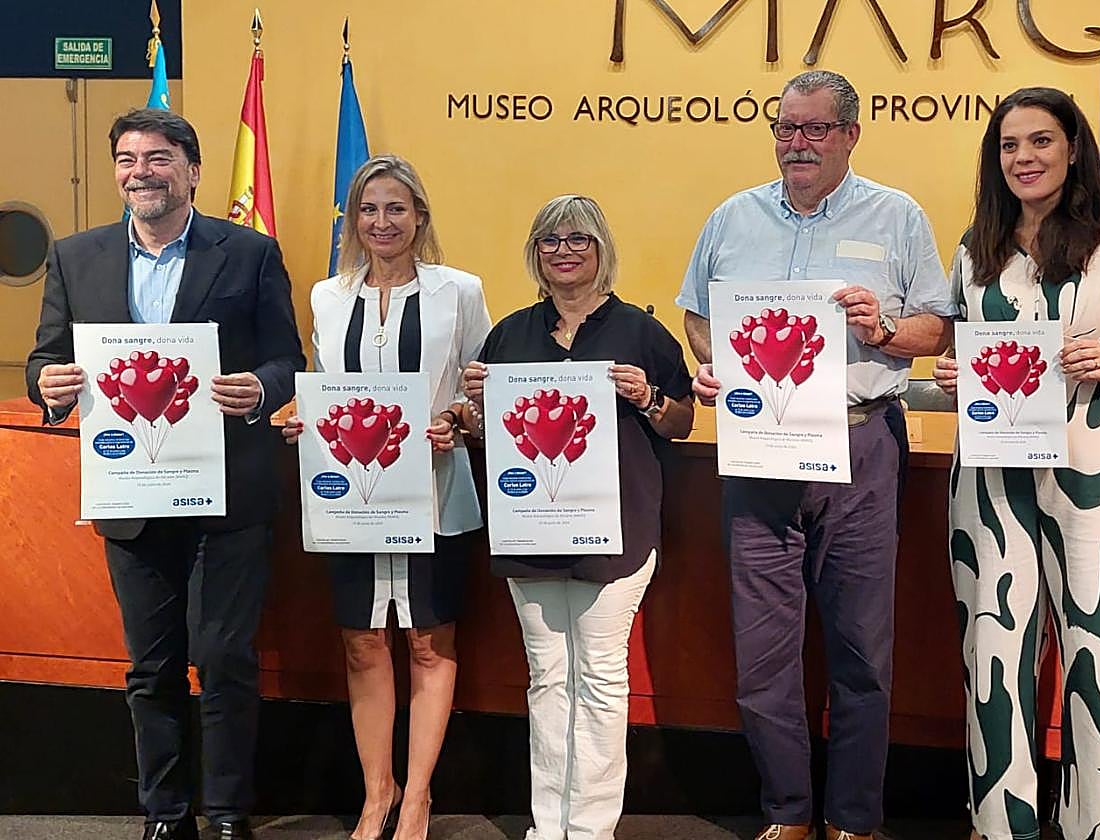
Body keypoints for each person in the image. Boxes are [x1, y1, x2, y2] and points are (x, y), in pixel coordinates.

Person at [678, 70, 957, 840]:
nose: (795, 144)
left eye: (813, 129)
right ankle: (788, 814)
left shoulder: (896, 216)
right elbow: (698, 315)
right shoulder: (732, 218)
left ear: (850, 135)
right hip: (760, 446)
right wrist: (718, 365)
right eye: (784, 129)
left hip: (861, 439)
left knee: (863, 644)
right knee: (763, 646)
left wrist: (883, 330)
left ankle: (854, 819)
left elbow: (938, 330)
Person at [25, 108, 305, 840]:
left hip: (229, 497)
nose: (138, 172)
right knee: (151, 669)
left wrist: (262, 390)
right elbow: (43, 359)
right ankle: (164, 815)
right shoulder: (74, 257)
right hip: (130, 498)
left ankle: (228, 813)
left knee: (223, 662)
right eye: (125, 159)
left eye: (156, 158)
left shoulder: (249, 253)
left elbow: (287, 359)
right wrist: (47, 387)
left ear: (192, 170)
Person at [932, 87, 1100, 840]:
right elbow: (962, 346)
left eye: (1040, 141)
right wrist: (954, 371)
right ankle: (999, 823)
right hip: (991, 478)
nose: (1025, 158)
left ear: (1073, 147)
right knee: (991, 655)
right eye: (1010, 146)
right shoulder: (977, 244)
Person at [461, 194, 694, 840]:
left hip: (616, 538)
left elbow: (681, 420)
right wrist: (475, 407)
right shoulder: (509, 334)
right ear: (535, 254)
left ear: (601, 249)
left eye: (578, 239)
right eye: (549, 241)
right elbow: (485, 437)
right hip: (531, 532)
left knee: (598, 675)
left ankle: (589, 829)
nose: (563, 250)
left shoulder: (641, 331)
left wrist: (647, 396)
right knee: (547, 679)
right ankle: (547, 827)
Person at [282, 155, 490, 840]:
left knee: (430, 642)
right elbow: (321, 389)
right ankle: (378, 795)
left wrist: (456, 419)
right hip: (352, 498)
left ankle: (419, 799)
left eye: (396, 208)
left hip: (435, 491)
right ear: (354, 218)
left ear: (419, 216)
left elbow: (482, 387)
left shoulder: (459, 291)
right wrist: (298, 417)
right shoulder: (326, 295)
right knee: (362, 642)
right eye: (369, 209)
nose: (382, 222)